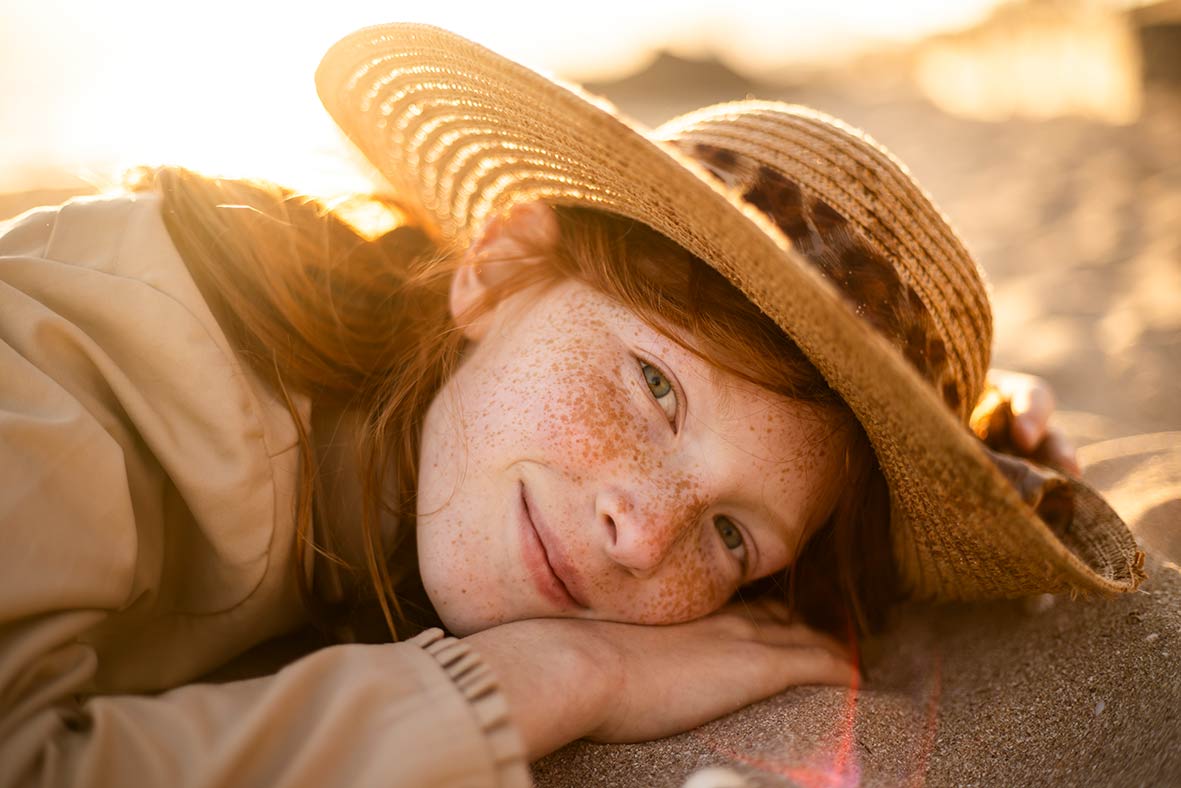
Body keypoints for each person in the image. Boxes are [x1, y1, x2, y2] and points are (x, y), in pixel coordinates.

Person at [0, 23, 1144, 788]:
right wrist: (558, 676)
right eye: (651, 386)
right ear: (494, 270)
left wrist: (976, 448)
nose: (640, 535)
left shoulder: (413, 481)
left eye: (729, 532)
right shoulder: (78, 353)